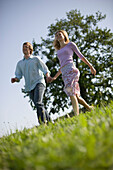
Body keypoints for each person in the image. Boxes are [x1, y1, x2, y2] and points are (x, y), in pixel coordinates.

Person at [49, 30, 96, 116]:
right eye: (56, 35)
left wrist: (90, 66)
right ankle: (89, 108)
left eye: (60, 34)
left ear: (64, 35)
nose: (58, 36)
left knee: (71, 93)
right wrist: (55, 77)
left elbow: (81, 56)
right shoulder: (58, 51)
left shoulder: (70, 45)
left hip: (72, 70)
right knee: (76, 96)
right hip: (64, 73)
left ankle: (76, 116)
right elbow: (62, 65)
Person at [11, 42, 52, 124]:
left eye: (26, 47)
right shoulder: (20, 63)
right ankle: (50, 122)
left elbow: (45, 69)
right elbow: (19, 76)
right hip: (29, 87)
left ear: (30, 49)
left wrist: (47, 76)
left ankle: (42, 123)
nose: (24, 49)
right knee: (39, 105)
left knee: (38, 103)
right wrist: (15, 79)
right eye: (23, 47)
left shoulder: (36, 59)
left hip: (39, 82)